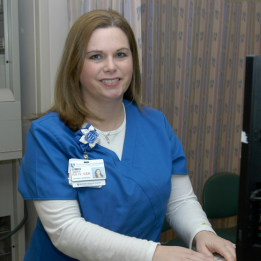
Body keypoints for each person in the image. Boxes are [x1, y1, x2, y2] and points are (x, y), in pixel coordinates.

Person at [18, 9, 236, 261]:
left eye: (121, 54)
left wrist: (202, 232)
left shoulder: (155, 124)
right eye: (96, 56)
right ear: (75, 65)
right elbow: (66, 230)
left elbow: (178, 201)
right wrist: (152, 252)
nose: (111, 67)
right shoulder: (49, 135)